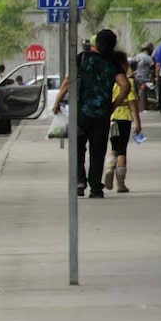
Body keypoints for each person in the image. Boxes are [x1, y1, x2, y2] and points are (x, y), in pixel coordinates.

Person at [52, 29, 130, 198]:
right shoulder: (113, 63)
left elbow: (67, 82)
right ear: (113, 45)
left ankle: (79, 182)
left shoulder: (83, 58)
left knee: (78, 148)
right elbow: (125, 86)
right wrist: (113, 106)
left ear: (96, 43)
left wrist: (57, 101)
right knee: (98, 151)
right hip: (101, 115)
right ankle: (95, 188)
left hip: (81, 113)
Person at [104, 51, 141, 193]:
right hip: (124, 118)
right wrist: (138, 123)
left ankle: (109, 169)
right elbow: (132, 103)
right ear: (124, 65)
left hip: (112, 118)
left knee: (113, 146)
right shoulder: (128, 81)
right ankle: (120, 183)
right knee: (122, 150)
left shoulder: (110, 80)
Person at [133, 42, 154, 112]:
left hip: (136, 76)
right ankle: (144, 107)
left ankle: (138, 107)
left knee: (136, 93)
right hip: (145, 78)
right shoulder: (149, 58)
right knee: (143, 93)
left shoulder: (137, 56)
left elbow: (131, 65)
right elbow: (152, 68)